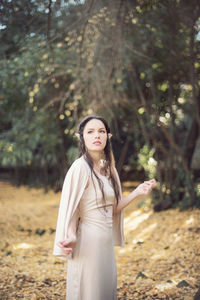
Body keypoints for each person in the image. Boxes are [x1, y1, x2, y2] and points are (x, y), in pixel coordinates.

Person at [53, 114, 156, 300]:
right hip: (87, 245)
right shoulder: (80, 168)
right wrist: (71, 236)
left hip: (105, 245)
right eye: (90, 132)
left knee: (104, 293)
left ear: (108, 137)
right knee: (89, 293)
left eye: (101, 131)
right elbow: (71, 208)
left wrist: (137, 192)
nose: (96, 135)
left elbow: (113, 208)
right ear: (81, 137)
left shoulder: (108, 169)